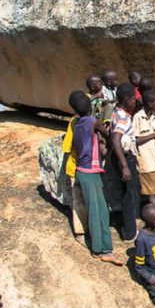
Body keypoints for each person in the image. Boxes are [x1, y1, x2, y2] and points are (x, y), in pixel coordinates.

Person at [70, 93, 123, 266]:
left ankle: (103, 247)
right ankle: (100, 249)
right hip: (90, 172)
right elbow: (108, 134)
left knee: (100, 209)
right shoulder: (93, 122)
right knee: (98, 211)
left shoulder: (77, 124)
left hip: (86, 171)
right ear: (90, 108)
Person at [110, 83, 141, 242]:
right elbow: (116, 138)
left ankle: (127, 225)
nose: (135, 102)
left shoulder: (117, 111)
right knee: (128, 195)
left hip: (122, 156)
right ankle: (130, 233)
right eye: (134, 99)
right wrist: (125, 166)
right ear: (127, 99)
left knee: (126, 192)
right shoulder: (122, 117)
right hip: (125, 157)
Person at [63, 91, 88, 245]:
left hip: (77, 166)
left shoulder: (74, 121)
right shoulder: (76, 122)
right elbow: (67, 147)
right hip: (80, 167)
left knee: (80, 201)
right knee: (79, 201)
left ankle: (83, 231)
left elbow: (66, 146)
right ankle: (81, 232)